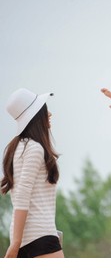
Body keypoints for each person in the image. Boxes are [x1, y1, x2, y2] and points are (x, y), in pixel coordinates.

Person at [2, 88, 63, 258]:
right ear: (37, 115)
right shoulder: (34, 148)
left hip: (30, 237)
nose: (49, 113)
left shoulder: (20, 146)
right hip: (39, 237)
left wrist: (17, 242)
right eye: (44, 108)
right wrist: (15, 244)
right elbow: (22, 194)